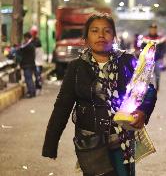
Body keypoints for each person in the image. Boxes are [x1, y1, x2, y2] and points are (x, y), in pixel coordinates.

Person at [42, 13, 157, 176]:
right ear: (86, 38)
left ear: (114, 37)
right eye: (95, 31)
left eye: (107, 31)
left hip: (122, 141)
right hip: (90, 143)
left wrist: (143, 112)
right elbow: (62, 106)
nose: (101, 35)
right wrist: (50, 144)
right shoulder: (76, 67)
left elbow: (148, 89)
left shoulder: (127, 60)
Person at [142, 23, 166, 91]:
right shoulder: (145, 39)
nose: (153, 30)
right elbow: (142, 48)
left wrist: (162, 55)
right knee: (149, 75)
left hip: (157, 58)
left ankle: (157, 86)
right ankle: (150, 88)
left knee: (158, 73)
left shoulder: (160, 39)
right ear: (149, 30)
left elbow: (163, 48)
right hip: (148, 59)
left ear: (156, 30)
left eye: (154, 29)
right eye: (152, 29)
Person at [17, 32, 36, 98]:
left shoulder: (28, 46)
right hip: (30, 65)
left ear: (27, 38)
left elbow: (21, 50)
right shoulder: (30, 45)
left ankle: (31, 93)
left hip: (27, 65)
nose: (24, 39)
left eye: (25, 38)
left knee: (28, 79)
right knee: (29, 78)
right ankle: (32, 92)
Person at [30, 28, 44, 93]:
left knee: (37, 74)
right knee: (36, 75)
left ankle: (38, 86)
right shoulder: (32, 40)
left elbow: (35, 50)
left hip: (38, 61)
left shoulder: (37, 41)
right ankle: (37, 86)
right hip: (35, 61)